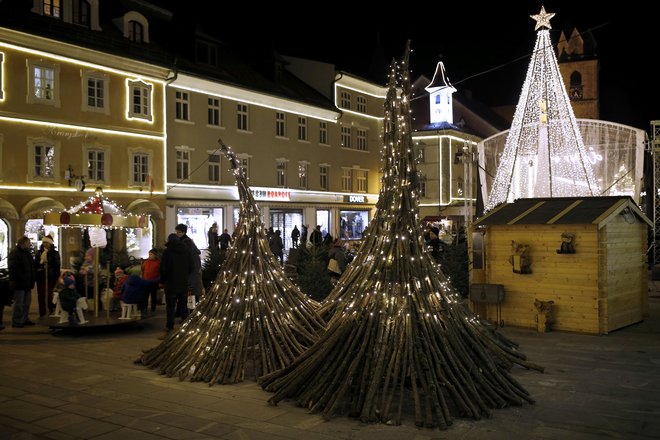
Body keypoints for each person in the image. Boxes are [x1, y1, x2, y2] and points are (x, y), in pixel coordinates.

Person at [160, 233, 193, 337]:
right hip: (183, 283)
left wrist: (163, 280)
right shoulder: (186, 251)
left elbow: (163, 268)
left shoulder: (167, 252)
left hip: (171, 283)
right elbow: (192, 266)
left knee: (170, 306)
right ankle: (185, 325)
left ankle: (170, 327)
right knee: (183, 305)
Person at [8, 236, 36, 328]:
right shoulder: (15, 253)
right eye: (28, 242)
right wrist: (22, 278)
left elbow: (31, 266)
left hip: (27, 283)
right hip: (19, 283)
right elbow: (14, 268)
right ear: (23, 243)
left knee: (27, 303)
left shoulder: (27, 253)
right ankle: (16, 321)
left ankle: (24, 318)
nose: (30, 244)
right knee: (19, 303)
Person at [34, 234, 61, 318]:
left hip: (51, 277)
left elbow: (57, 265)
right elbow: (36, 264)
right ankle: (42, 312)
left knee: (50, 294)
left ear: (51, 244)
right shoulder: (39, 253)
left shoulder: (54, 253)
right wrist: (38, 270)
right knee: (41, 295)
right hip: (41, 277)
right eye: (44, 242)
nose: (46, 244)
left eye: (47, 243)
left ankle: (51, 310)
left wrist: (56, 275)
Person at [175, 223, 203, 302]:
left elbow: (192, 259)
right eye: (176, 232)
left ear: (183, 232)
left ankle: (192, 310)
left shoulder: (186, 242)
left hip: (191, 273)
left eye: (179, 232)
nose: (177, 234)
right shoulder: (183, 242)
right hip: (190, 273)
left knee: (192, 291)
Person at [141, 249, 160, 313]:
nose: (150, 255)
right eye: (149, 254)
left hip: (153, 282)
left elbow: (160, 272)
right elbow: (143, 270)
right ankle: (144, 308)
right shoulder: (146, 262)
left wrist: (157, 280)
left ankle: (153, 309)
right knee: (145, 296)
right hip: (146, 281)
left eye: (151, 254)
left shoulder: (158, 263)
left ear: (155, 255)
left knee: (153, 296)